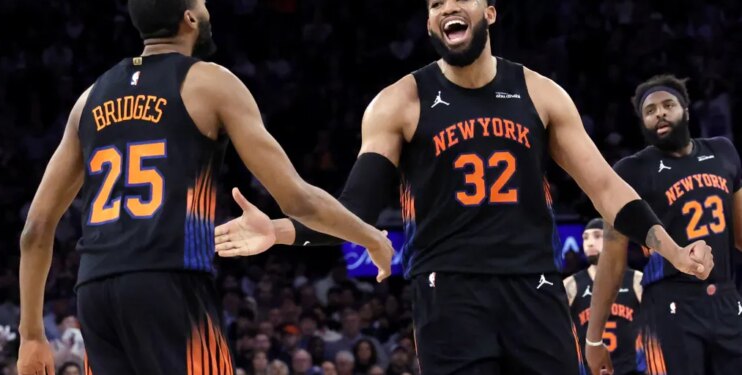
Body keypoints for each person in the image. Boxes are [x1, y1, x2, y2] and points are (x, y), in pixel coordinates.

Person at [214, 1, 713, 373]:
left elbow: (605, 187)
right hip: (449, 291)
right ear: (431, 24)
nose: (447, 7)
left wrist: (668, 247)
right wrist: (280, 231)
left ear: (489, 12)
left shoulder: (539, 92)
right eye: (434, 4)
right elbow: (356, 208)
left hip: (534, 288)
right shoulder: (401, 101)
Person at [16, 1, 394, 374]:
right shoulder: (210, 81)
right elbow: (297, 198)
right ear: (190, 18)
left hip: (95, 293)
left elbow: (35, 230)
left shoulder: (89, 99)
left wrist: (31, 335)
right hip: (169, 283)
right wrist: (371, 238)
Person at [585, 75, 742, 375]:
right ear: (642, 123)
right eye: (650, 110)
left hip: (725, 296)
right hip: (669, 304)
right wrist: (594, 339)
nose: (659, 113)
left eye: (668, 105)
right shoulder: (631, 170)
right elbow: (612, 261)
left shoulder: (723, 152)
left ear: (685, 109)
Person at [564, 218, 644, 375]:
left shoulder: (636, 280)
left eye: (597, 236)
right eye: (585, 238)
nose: (590, 243)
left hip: (629, 369)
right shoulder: (571, 285)